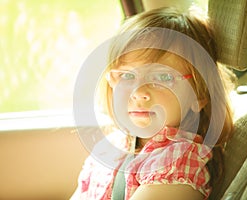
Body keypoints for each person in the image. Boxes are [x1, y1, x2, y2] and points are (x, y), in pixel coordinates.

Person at [71, 6, 235, 200]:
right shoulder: (113, 145)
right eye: (127, 75)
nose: (139, 92)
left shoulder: (177, 161)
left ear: (198, 96)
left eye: (163, 76)